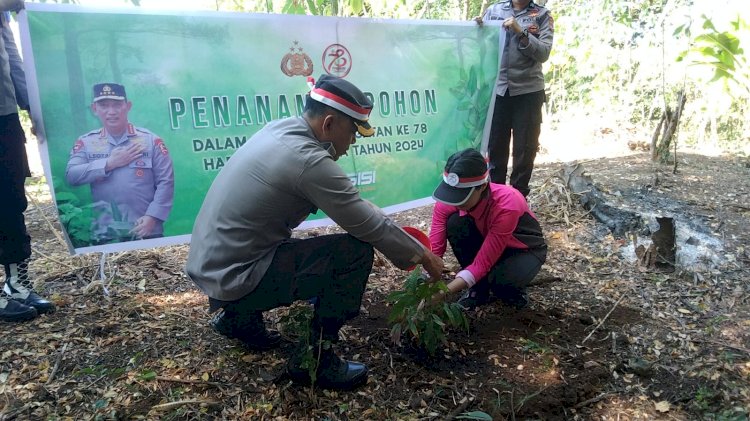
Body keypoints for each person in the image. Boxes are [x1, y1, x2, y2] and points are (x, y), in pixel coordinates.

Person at [186, 74, 444, 390]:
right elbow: (366, 225)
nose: (352, 144)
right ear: (329, 123)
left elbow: (354, 205)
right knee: (354, 253)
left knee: (300, 247)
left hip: (215, 263)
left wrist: (388, 228)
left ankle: (238, 319)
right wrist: (424, 256)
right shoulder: (307, 161)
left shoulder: (281, 130)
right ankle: (317, 358)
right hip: (237, 274)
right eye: (353, 133)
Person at [428, 148, 547, 310]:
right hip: (487, 241)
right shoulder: (448, 201)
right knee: (455, 223)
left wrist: (442, 293)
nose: (454, 202)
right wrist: (430, 277)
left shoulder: (507, 205)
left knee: (501, 283)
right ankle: (478, 290)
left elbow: (483, 263)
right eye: (452, 194)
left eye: (462, 196)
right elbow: (435, 248)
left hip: (522, 250)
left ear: (483, 187)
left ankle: (513, 290)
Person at [1, 0, 56, 322]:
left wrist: (31, 107)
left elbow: (13, 62)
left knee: (10, 201)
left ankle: (17, 285)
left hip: (4, 117)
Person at [66, 83, 174, 244]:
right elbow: (71, 176)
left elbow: (166, 182)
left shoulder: (150, 140)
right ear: (94, 108)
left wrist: (153, 217)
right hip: (106, 232)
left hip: (146, 229)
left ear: (127, 106)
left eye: (117, 105)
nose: (111, 112)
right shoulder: (86, 142)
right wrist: (109, 163)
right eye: (104, 105)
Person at [479, 0, 553, 197]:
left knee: (525, 151)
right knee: (495, 150)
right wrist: (476, 30)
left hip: (528, 92)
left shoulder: (542, 15)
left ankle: (519, 203)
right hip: (498, 90)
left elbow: (544, 53)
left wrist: (521, 31)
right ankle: (496, 199)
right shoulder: (494, 10)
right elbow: (480, 47)